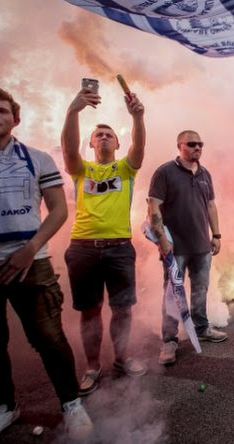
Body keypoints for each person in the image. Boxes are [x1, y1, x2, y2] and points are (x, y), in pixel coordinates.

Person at [0, 88, 93, 442]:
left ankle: (71, 403)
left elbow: (58, 210)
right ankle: (4, 408)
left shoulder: (36, 159)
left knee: (50, 339)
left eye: (2, 111)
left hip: (30, 263)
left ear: (15, 119)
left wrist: (31, 247)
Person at [61, 83, 147, 396]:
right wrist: (74, 111)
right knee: (90, 310)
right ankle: (93, 366)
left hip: (120, 248)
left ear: (118, 142)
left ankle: (122, 359)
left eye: (109, 134)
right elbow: (69, 150)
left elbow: (139, 150)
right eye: (99, 135)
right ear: (92, 143)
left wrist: (138, 118)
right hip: (83, 248)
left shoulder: (125, 169)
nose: (104, 137)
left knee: (123, 309)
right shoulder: (81, 169)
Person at [148, 130, 227, 366]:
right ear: (180, 146)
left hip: (201, 246)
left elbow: (211, 205)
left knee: (200, 289)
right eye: (192, 144)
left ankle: (201, 327)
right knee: (172, 295)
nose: (197, 148)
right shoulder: (165, 172)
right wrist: (162, 240)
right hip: (176, 248)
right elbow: (154, 208)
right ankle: (169, 341)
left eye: (200, 144)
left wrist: (217, 235)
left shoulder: (205, 173)